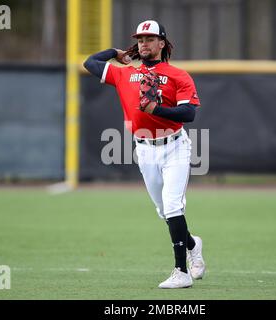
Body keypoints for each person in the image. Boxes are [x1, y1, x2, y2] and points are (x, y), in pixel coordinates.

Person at [83, 20, 205, 289]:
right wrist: (115, 53)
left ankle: (181, 272)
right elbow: (90, 63)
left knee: (173, 206)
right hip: (145, 150)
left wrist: (156, 109)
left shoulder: (178, 75)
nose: (144, 43)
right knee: (164, 212)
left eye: (150, 38)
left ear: (162, 43)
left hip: (174, 147)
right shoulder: (125, 74)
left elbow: (189, 114)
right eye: (140, 39)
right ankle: (194, 245)